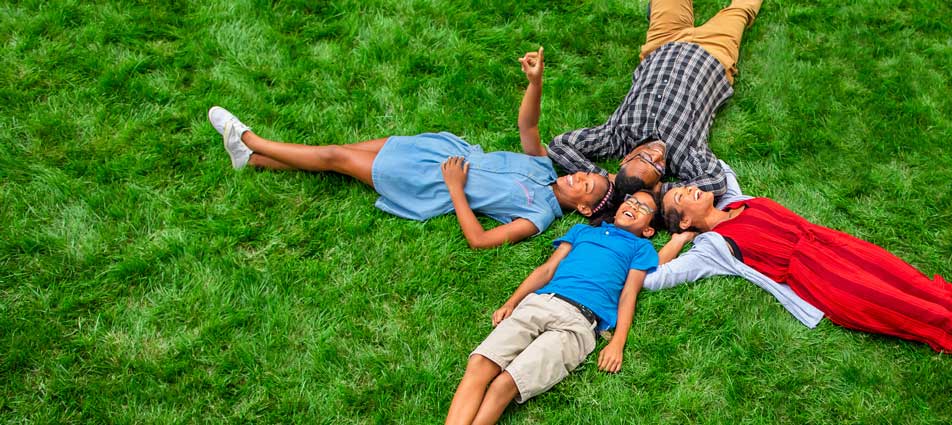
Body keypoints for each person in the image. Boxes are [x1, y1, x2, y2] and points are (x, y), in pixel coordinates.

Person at [647, 166, 952, 383]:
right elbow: (653, 277)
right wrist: (673, 242)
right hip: (825, 280)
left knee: (924, 291)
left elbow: (716, 163)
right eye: (681, 197)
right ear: (685, 221)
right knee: (922, 316)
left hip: (840, 247)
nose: (691, 187)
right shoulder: (711, 248)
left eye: (685, 185)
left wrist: (651, 177)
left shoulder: (737, 201)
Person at [206, 49, 616, 249]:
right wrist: (535, 84)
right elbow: (528, 125)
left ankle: (247, 138)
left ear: (581, 208)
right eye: (586, 174)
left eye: (586, 186)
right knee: (342, 152)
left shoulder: (539, 215)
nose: (579, 175)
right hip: (436, 151)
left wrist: (456, 188)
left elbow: (480, 241)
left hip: (429, 180)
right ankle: (255, 160)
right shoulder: (544, 167)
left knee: (333, 156)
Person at [444, 191, 661, 425]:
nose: (634, 205)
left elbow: (630, 294)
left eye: (644, 207)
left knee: (504, 383)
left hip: (577, 322)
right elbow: (546, 270)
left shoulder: (640, 248)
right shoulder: (582, 231)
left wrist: (617, 343)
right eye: (631, 200)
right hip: (541, 302)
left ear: (648, 230)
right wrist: (511, 303)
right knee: (479, 364)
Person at [546, 0, 763, 201]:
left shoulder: (615, 137)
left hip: (661, 45)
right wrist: (659, 190)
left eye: (646, 158)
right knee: (741, 10)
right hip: (713, 52)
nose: (658, 156)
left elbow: (559, 146)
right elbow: (716, 182)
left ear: (626, 158)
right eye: (659, 169)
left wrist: (605, 178)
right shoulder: (685, 154)